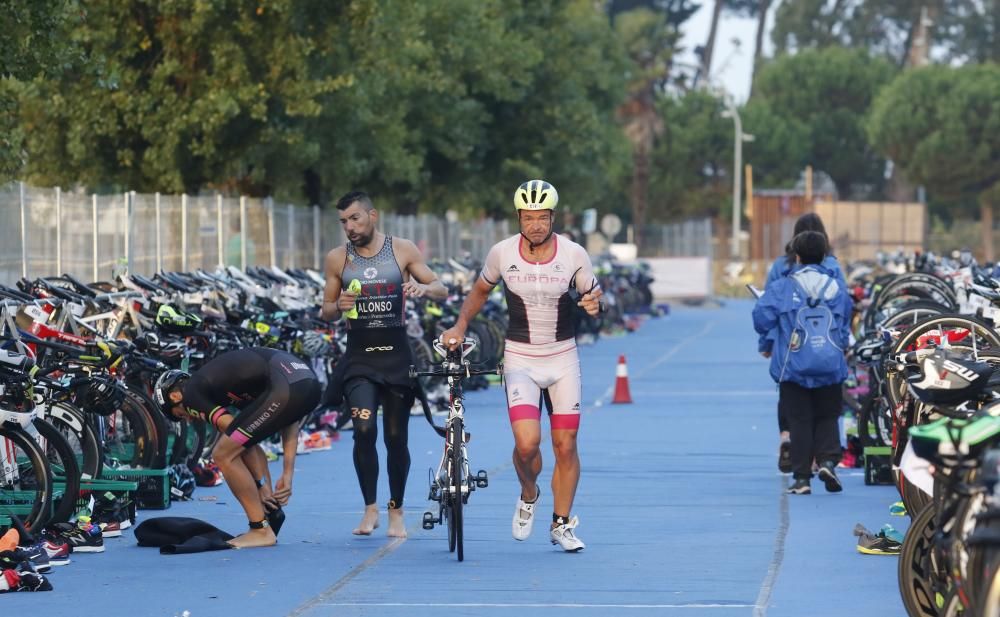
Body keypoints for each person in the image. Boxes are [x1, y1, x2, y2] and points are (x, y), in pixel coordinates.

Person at [440, 179, 603, 552]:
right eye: (528, 218)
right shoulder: (501, 253)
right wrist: (460, 325)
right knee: (527, 444)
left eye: (542, 217)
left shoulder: (574, 253)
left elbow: (593, 294)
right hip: (521, 359)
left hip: (562, 357)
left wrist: (596, 304)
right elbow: (480, 291)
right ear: (519, 218)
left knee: (566, 444)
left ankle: (561, 524)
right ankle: (529, 492)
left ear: (552, 217)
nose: (535, 225)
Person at [320, 191, 448, 538]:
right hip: (360, 359)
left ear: (372, 216)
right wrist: (340, 305)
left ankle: (396, 510)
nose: (349, 227)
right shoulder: (337, 259)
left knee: (395, 438)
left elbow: (441, 288)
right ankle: (370, 509)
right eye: (344, 222)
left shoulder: (402, 249)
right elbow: (326, 311)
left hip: (396, 357)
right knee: (363, 431)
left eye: (355, 219)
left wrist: (424, 289)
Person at [153, 347, 322, 548]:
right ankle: (268, 514)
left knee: (223, 454)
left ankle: (260, 529)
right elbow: (283, 422)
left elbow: (239, 440)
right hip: (307, 383)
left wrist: (262, 486)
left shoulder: (191, 395)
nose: (189, 418)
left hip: (287, 384)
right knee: (235, 443)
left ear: (174, 397)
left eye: (180, 414)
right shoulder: (224, 385)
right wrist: (287, 475)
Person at [753, 231, 852, 495]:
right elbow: (844, 327)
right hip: (830, 365)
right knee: (828, 415)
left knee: (799, 419)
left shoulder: (783, 287)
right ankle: (829, 461)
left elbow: (761, 320)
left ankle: (802, 478)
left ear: (796, 256)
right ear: (824, 256)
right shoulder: (836, 288)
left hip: (793, 365)